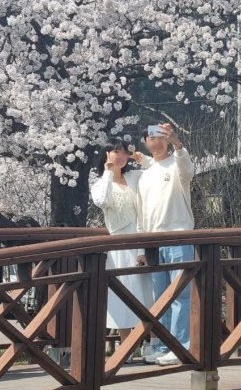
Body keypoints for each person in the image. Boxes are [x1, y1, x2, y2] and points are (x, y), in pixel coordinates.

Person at [136, 123, 195, 366]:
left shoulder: (177, 163)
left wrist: (178, 143)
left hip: (179, 236)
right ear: (145, 141)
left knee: (181, 295)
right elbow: (141, 213)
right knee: (159, 296)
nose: (157, 141)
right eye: (152, 137)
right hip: (152, 241)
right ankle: (160, 344)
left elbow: (186, 169)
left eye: (162, 137)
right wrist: (141, 248)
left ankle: (180, 346)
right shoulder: (145, 174)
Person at [90, 138, 153, 357]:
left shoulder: (134, 177)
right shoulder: (100, 183)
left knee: (147, 295)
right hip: (117, 246)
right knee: (122, 296)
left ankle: (151, 345)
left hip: (140, 242)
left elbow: (156, 169)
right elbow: (101, 200)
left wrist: (140, 157)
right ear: (107, 154)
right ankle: (127, 348)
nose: (120, 155)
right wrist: (108, 172)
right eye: (115, 151)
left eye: (124, 152)